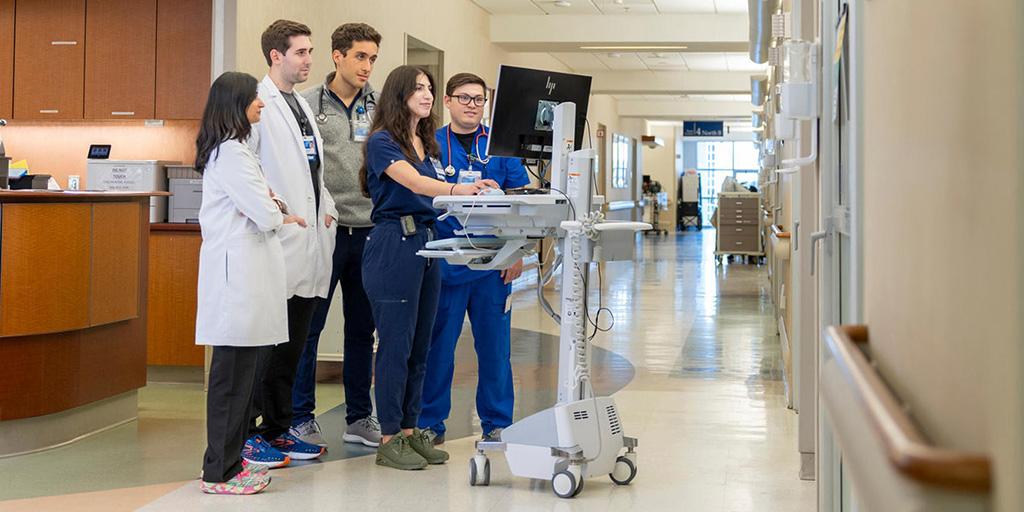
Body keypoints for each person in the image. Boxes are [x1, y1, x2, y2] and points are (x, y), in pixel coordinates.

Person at [360, 65, 499, 470]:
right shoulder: (383, 142)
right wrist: (460, 189)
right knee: (395, 346)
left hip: (426, 242)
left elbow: (438, 195)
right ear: (398, 93)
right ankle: (388, 437)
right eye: (418, 88)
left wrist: (482, 200)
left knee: (421, 346)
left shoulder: (426, 143)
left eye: (430, 88)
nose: (427, 95)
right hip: (392, 246)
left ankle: (408, 431)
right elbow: (417, 186)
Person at [194, 71, 306, 494]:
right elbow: (267, 210)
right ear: (235, 104)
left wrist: (275, 206)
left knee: (242, 379)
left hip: (250, 277)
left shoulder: (240, 151)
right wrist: (277, 210)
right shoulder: (230, 154)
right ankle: (217, 472)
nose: (261, 105)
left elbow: (271, 201)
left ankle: (231, 463)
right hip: (235, 281)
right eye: (254, 99)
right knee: (231, 380)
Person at [418, 73, 530, 445]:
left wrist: (518, 250)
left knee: (496, 351)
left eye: (479, 100)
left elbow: (523, 204)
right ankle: (430, 422)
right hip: (448, 264)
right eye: (464, 98)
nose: (472, 105)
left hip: (495, 265)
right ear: (447, 101)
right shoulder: (429, 143)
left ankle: (497, 422)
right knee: (438, 349)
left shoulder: (502, 147)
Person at [244, 19, 337, 467]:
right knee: (263, 349)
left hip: (309, 241)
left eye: (310, 51)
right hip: (277, 242)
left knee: (291, 348)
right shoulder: (258, 106)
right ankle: (247, 434)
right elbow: (253, 174)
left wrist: (328, 209)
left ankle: (278, 430)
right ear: (275, 56)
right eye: (300, 52)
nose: (308, 60)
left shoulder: (300, 105)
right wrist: (279, 213)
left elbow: (313, 173)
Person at [291, 23, 382, 448]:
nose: (367, 66)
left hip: (369, 232)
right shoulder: (307, 105)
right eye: (360, 57)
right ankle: (299, 417)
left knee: (362, 330)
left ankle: (359, 417)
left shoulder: (381, 107)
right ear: (337, 56)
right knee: (310, 327)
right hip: (326, 233)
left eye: (373, 59)